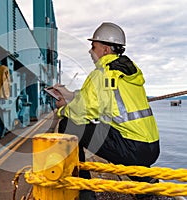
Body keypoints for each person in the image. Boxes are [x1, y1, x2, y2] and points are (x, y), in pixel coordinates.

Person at [53, 22, 160, 200]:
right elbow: (98, 98)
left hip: (131, 149)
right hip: (150, 149)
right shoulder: (127, 72)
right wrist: (70, 95)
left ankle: (84, 193)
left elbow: (83, 111)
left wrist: (62, 109)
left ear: (105, 49)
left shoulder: (102, 73)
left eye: (93, 46)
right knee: (104, 127)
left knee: (69, 124)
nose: (90, 51)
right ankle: (144, 180)